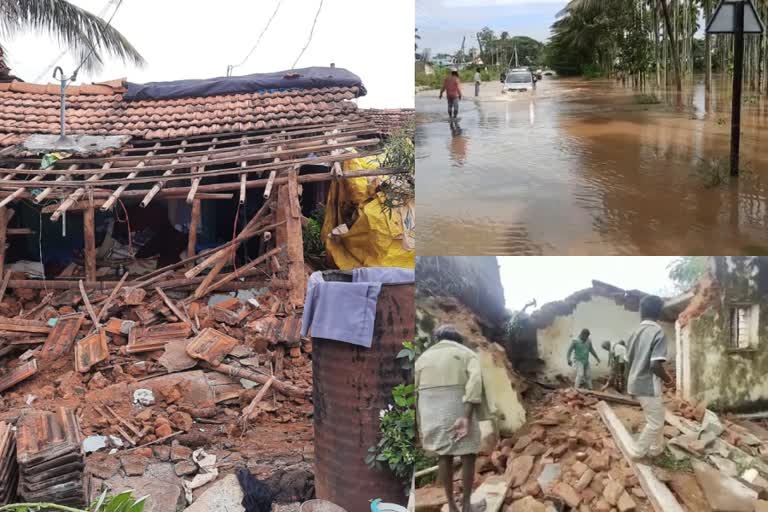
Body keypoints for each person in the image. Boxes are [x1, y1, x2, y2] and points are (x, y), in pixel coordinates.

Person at [416, 325, 483, 512]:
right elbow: (475, 382)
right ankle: (467, 506)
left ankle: (452, 506)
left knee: (443, 455)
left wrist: (418, 423)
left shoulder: (423, 357)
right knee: (468, 453)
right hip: (456, 402)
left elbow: (413, 390)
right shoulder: (466, 353)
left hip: (429, 407)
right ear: (458, 339)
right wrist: (467, 416)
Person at [626, 295, 672, 460]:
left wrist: (628, 386)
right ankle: (637, 452)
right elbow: (655, 365)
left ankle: (656, 449)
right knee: (656, 422)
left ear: (641, 311)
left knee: (656, 416)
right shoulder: (657, 332)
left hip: (635, 383)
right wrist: (668, 380)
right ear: (659, 312)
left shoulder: (634, 333)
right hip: (648, 385)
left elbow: (628, 363)